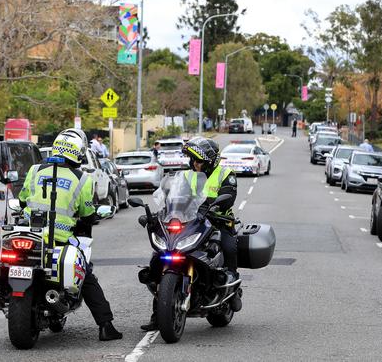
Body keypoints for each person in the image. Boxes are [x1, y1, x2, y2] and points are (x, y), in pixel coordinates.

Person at [18, 128, 122, 341]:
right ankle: (106, 326)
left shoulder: (35, 170)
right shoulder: (82, 179)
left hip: (30, 234)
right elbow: (87, 213)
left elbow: (22, 199)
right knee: (86, 275)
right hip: (61, 239)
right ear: (78, 151)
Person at [140, 137, 239, 331]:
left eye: (198, 160)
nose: (194, 163)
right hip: (192, 220)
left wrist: (211, 206)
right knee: (162, 255)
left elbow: (229, 198)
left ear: (210, 160)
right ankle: (158, 315)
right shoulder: (187, 175)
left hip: (219, 221)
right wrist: (161, 213)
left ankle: (233, 290)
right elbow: (174, 196)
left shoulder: (226, 173)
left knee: (228, 247)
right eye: (192, 159)